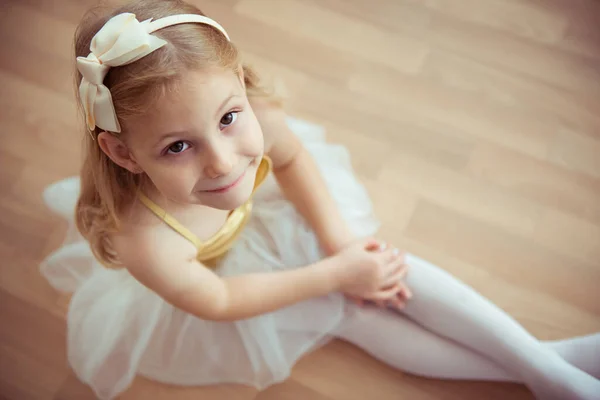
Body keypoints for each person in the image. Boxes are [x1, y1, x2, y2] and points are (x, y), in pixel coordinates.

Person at [40, 1, 600, 399]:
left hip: (269, 226)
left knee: (379, 261)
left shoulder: (254, 116)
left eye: (229, 118)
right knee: (351, 313)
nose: (222, 161)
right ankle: (547, 370)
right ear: (124, 153)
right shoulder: (142, 239)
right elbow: (217, 301)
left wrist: (342, 246)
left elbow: (291, 160)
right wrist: (335, 275)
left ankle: (548, 367)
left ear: (239, 84)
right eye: (178, 146)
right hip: (230, 284)